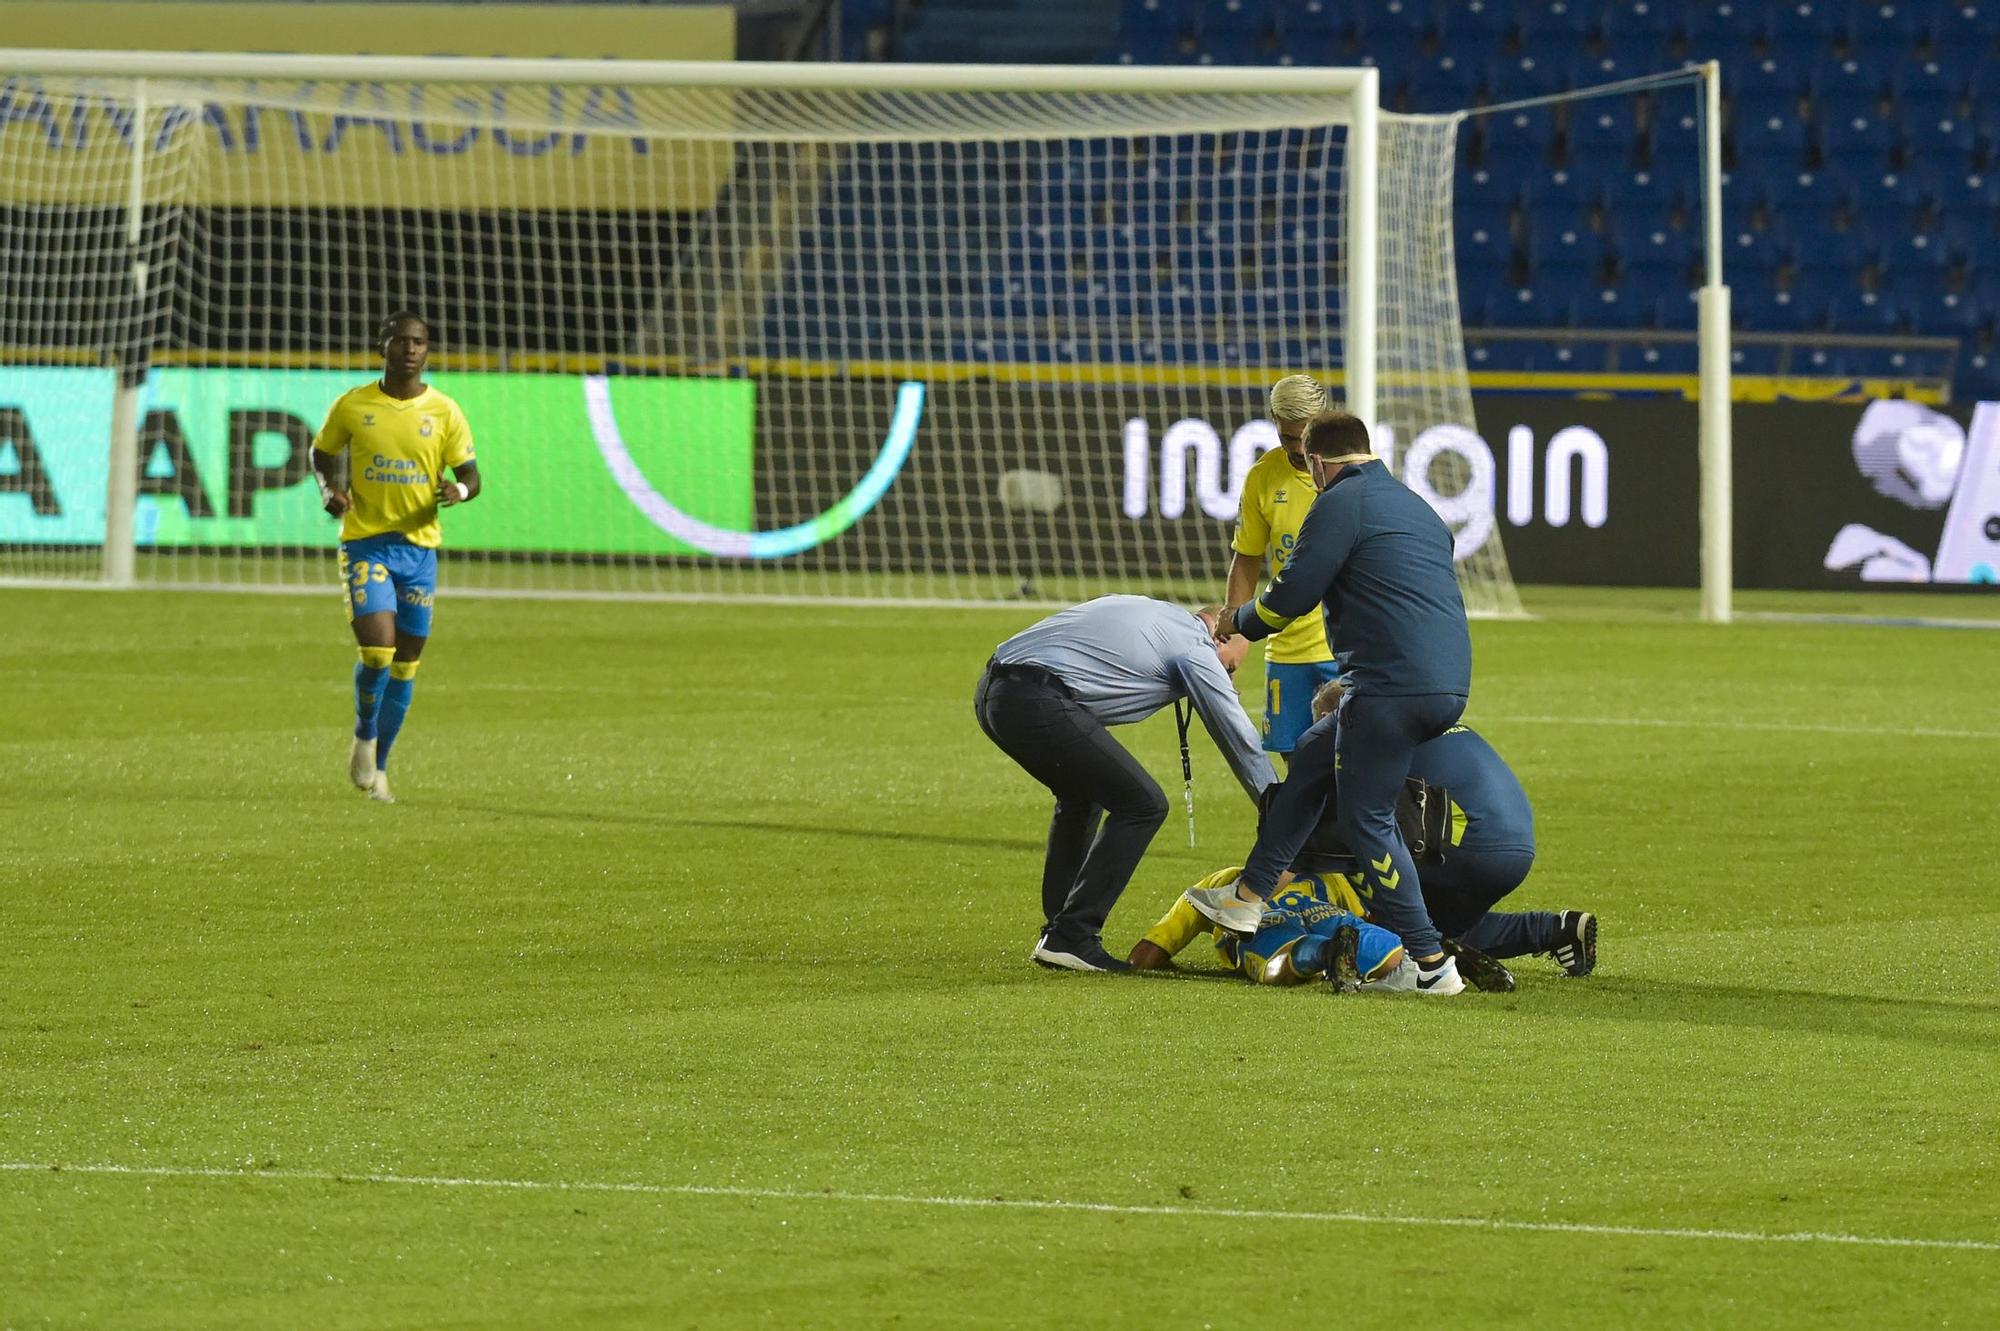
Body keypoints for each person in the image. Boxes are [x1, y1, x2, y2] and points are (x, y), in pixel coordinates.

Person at [1191, 408, 1474, 995]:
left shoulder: (1339, 503)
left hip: (1388, 688)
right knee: (1315, 751)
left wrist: (1233, 622)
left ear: (1318, 462)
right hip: (1443, 682)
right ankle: (1249, 897)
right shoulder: (1416, 506)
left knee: (1367, 820)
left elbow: (1291, 594)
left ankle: (1430, 966)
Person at [974, 595, 1276, 973]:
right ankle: (1072, 934)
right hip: (1037, 698)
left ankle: (1061, 932)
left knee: (1083, 796)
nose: (1228, 679)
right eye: (1230, 668)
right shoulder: (1194, 645)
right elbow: (1239, 739)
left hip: (994, 691)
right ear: (1219, 637)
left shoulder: (1160, 616)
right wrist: (1279, 813)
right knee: (1144, 804)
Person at [310, 311, 480, 804]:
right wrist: (329, 490)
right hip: (367, 541)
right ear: (382, 346)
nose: (410, 349)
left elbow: (472, 475)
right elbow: (321, 454)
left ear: (427, 350)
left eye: (419, 342)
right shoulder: (353, 405)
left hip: (420, 549)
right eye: (401, 340)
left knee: (407, 663)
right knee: (378, 650)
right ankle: (365, 736)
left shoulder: (444, 411)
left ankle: (380, 766)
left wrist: (460, 491)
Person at [1227, 374, 1343, 765]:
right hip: (1287, 648)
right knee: (1298, 771)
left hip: (1344, 646)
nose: (1297, 448)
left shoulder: (1352, 472)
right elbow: (1246, 558)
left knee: (1354, 764)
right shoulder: (1262, 477)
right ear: (1274, 419)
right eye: (1287, 437)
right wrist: (1233, 637)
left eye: (1304, 436)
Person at [1129, 867, 1409, 990]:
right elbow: (1363, 919)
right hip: (1321, 906)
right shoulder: (1329, 874)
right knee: (1374, 941)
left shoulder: (1223, 880)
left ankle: (1325, 953)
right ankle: (1417, 960)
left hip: (1264, 915)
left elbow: (1146, 955)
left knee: (1276, 958)